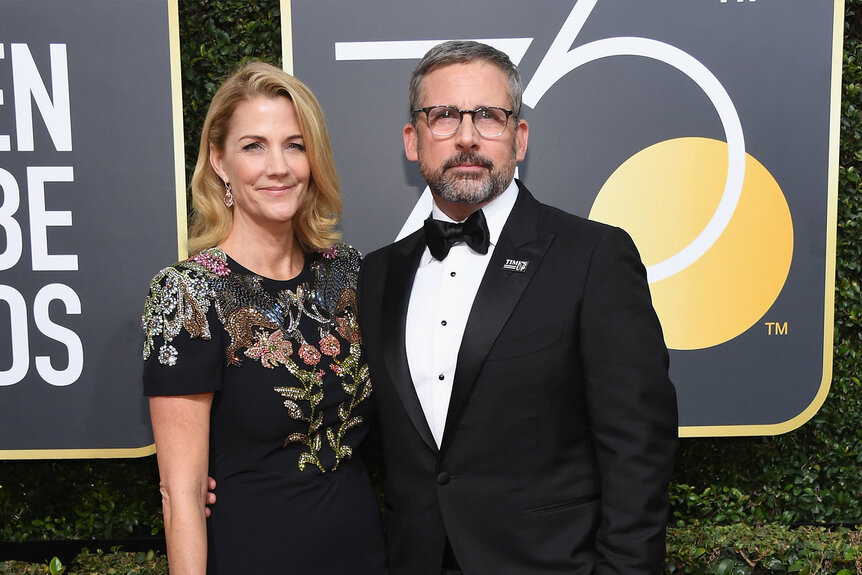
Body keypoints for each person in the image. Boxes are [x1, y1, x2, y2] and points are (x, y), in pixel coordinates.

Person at [357, 41, 679, 574]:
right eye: (443, 117)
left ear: (519, 137)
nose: (466, 136)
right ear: (413, 142)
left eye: (488, 116)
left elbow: (638, 449)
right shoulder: (377, 274)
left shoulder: (593, 257)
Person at [141, 61, 387, 574]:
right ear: (219, 161)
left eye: (294, 145)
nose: (278, 166)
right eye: (254, 146)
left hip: (361, 552)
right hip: (251, 554)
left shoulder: (347, 272)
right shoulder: (187, 295)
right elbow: (181, 492)